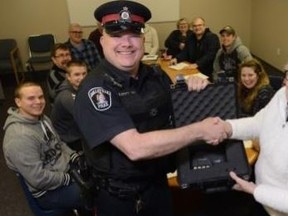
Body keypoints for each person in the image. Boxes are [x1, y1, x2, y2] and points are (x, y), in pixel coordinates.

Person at [73, 1, 227, 216]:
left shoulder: (154, 75)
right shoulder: (96, 89)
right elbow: (135, 148)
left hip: (157, 186)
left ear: (143, 40)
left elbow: (175, 119)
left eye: (134, 35)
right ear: (102, 40)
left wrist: (190, 92)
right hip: (120, 198)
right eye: (116, 35)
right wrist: (200, 130)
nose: (126, 43)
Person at [2, 82, 92, 215]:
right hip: (48, 192)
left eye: (41, 97)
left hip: (63, 171)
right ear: (18, 102)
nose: (38, 102)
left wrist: (74, 157)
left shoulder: (42, 119)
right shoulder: (19, 137)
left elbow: (59, 143)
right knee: (96, 195)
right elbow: (38, 179)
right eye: (31, 98)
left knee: (101, 174)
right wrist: (69, 178)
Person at [220, 68, 288, 215]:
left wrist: (255, 190)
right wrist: (227, 127)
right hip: (259, 196)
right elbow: (258, 123)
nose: (285, 84)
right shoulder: (282, 95)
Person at [51, 60, 88, 152]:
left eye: (84, 73)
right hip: (69, 139)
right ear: (68, 77)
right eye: (77, 74)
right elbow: (88, 117)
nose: (82, 78)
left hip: (77, 130)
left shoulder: (80, 87)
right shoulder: (66, 96)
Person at [170, 17, 220, 81]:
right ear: (192, 28)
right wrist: (176, 58)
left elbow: (210, 55)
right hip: (193, 70)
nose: (197, 28)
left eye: (199, 25)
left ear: (204, 26)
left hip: (207, 72)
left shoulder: (212, 37)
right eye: (194, 26)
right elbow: (185, 52)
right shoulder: (191, 37)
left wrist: (197, 64)